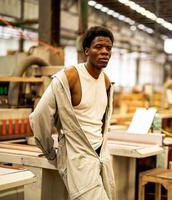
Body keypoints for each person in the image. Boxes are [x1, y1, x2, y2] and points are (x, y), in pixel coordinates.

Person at [29, 26, 116, 200]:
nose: (105, 51)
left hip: (101, 155)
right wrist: (51, 153)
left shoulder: (106, 82)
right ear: (86, 51)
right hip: (79, 157)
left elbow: (99, 122)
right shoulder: (69, 77)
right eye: (98, 47)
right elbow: (39, 116)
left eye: (108, 48)